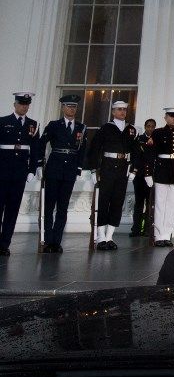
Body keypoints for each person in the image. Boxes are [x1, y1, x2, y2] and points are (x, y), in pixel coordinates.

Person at [85, 100, 139, 250]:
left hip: (123, 169)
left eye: (124, 110)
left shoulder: (131, 130)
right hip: (107, 167)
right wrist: (93, 169)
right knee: (104, 201)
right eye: (119, 109)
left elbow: (136, 152)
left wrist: (134, 170)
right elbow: (95, 148)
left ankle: (110, 236)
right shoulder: (106, 128)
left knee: (117, 202)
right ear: (113, 112)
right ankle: (100, 236)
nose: (122, 112)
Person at [39, 95, 87, 253]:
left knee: (62, 207)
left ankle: (56, 241)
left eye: (74, 107)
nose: (72, 109)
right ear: (63, 108)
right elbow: (42, 143)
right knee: (49, 206)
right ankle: (48, 240)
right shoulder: (54, 125)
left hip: (69, 170)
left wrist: (79, 167)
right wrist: (40, 163)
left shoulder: (81, 127)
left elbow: (82, 149)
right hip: (54, 168)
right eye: (69, 106)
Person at [0, 92, 41, 256]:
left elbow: (36, 149)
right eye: (21, 103)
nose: (24, 107)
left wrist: (32, 169)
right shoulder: (3, 122)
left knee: (12, 209)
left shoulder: (33, 125)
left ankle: (4, 244)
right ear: (15, 104)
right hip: (2, 170)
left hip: (19, 172)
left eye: (27, 104)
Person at [144, 107, 174, 247]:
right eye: (171, 116)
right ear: (165, 117)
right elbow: (150, 154)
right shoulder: (157, 133)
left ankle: (167, 234)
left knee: (171, 206)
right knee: (160, 205)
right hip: (161, 171)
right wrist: (148, 173)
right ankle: (158, 235)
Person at [130, 118, 156, 237]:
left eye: (152, 126)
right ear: (145, 127)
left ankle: (146, 229)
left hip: (151, 176)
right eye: (148, 126)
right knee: (139, 203)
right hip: (140, 176)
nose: (150, 128)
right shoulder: (139, 139)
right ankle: (136, 229)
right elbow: (136, 157)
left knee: (150, 203)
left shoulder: (156, 140)